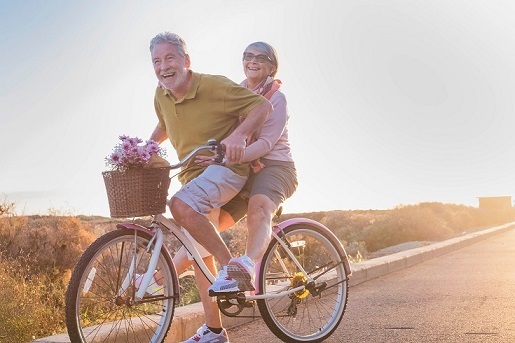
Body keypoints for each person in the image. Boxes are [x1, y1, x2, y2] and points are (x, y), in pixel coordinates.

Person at [147, 32, 272, 343]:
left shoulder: (214, 85)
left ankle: (233, 270)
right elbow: (164, 125)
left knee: (179, 205)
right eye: (157, 61)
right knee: (200, 254)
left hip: (227, 170)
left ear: (186, 61)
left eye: (170, 58)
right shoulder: (161, 95)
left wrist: (239, 136)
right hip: (195, 177)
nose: (163, 67)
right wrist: (144, 149)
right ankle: (215, 331)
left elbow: (262, 107)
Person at [174, 41, 297, 343]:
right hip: (241, 170)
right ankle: (161, 280)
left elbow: (265, 145)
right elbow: (225, 135)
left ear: (272, 67)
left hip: (274, 168)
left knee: (258, 209)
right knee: (203, 230)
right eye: (248, 57)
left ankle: (243, 266)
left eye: (261, 58)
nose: (253, 62)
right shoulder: (237, 90)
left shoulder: (276, 98)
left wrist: (229, 158)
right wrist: (213, 155)